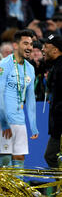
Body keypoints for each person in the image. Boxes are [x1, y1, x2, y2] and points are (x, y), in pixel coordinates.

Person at [0, 30, 39, 168]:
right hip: (2, 119)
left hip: (19, 119)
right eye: (25, 43)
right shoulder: (3, 65)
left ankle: (16, 190)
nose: (29, 47)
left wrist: (33, 125)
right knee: (5, 158)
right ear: (15, 45)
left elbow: (30, 99)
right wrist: (5, 123)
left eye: (31, 44)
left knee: (19, 158)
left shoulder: (30, 69)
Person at [41, 34, 62, 168]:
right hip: (58, 125)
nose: (43, 49)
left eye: (46, 47)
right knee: (52, 156)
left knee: (51, 156)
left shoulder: (60, 68)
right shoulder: (56, 66)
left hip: (60, 125)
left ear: (55, 50)